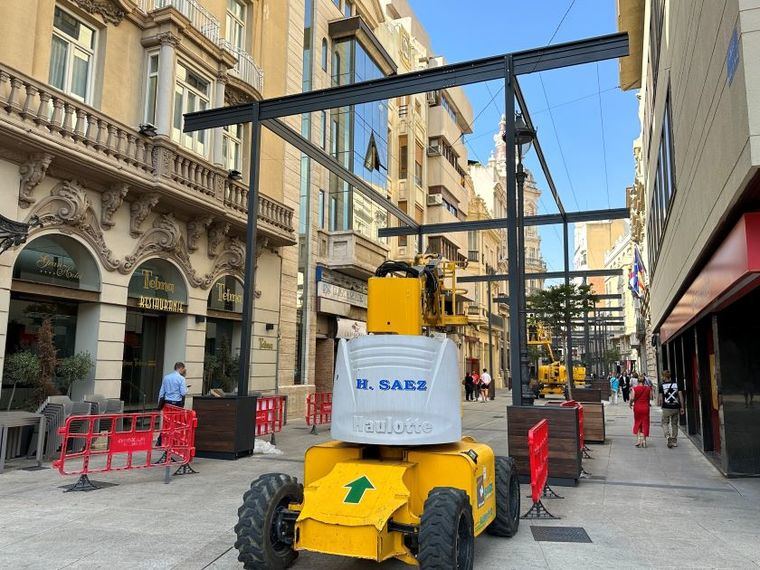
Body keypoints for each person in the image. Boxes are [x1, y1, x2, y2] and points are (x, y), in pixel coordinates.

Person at [658, 370, 685, 448]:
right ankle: (674, 441)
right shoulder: (677, 384)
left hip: (666, 407)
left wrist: (661, 405)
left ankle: (667, 436)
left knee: (664, 423)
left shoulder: (661, 385)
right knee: (674, 424)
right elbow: (681, 397)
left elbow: (660, 399)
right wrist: (682, 407)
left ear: (664, 376)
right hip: (676, 407)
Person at [630, 374, 651, 447]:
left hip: (637, 408)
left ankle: (638, 440)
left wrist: (630, 403)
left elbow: (632, 398)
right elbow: (650, 398)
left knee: (638, 422)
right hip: (645, 408)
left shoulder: (634, 389)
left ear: (637, 381)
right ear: (644, 381)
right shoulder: (648, 388)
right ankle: (644, 441)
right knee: (645, 423)